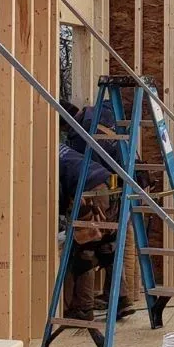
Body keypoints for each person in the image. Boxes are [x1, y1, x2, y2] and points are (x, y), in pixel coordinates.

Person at [58, 99, 137, 321]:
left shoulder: (73, 142)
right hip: (115, 187)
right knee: (106, 245)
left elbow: (62, 193)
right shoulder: (100, 115)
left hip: (93, 192)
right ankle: (120, 299)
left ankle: (82, 309)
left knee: (84, 248)